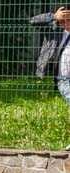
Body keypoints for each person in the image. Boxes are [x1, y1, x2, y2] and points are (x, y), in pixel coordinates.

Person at [30, 6, 70, 149]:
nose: (67, 22)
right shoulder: (56, 32)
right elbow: (33, 21)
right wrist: (54, 16)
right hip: (63, 80)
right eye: (65, 18)